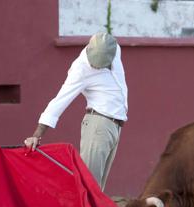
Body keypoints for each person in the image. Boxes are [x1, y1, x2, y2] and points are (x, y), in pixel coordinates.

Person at [24, 32, 128, 191]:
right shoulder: (80, 69)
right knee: (89, 189)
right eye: (95, 63)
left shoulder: (115, 49)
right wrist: (37, 134)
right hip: (98, 127)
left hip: (115, 126)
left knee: (97, 190)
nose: (97, 66)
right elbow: (60, 100)